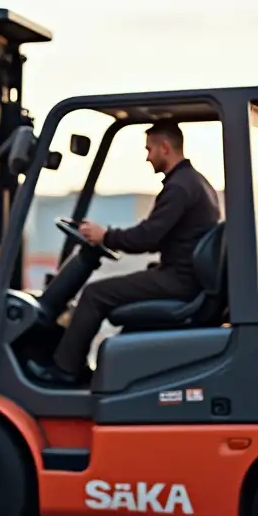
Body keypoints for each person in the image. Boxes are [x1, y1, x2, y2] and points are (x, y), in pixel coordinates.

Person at [27, 120, 221, 386]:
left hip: (179, 280)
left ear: (165, 147)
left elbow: (147, 237)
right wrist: (110, 238)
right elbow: (155, 238)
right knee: (110, 290)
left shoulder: (179, 187)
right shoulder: (194, 182)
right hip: (185, 276)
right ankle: (74, 366)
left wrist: (105, 235)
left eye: (149, 149)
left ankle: (65, 370)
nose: (146, 157)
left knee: (95, 295)